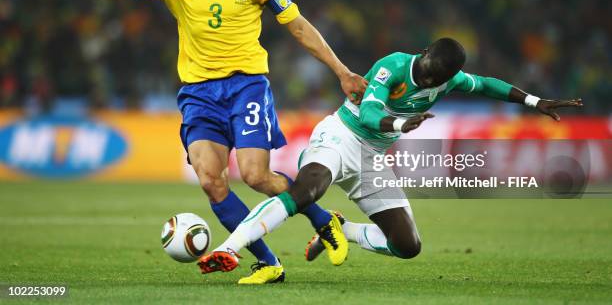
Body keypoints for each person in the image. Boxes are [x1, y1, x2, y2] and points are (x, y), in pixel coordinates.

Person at [77, 0, 366, 284]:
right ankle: (268, 262)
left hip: (245, 86)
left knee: (256, 176)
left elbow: (297, 26)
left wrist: (341, 71)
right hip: (198, 93)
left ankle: (325, 222)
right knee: (211, 181)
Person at [197, 37, 583, 273]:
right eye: (427, 72)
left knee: (407, 246)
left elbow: (486, 85)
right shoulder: (394, 66)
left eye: (435, 79)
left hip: (372, 158)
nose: (428, 81)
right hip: (341, 136)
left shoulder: (449, 80)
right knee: (309, 189)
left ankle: (339, 228)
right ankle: (229, 249)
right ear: (424, 53)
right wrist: (400, 126)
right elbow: (367, 111)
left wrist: (534, 101)